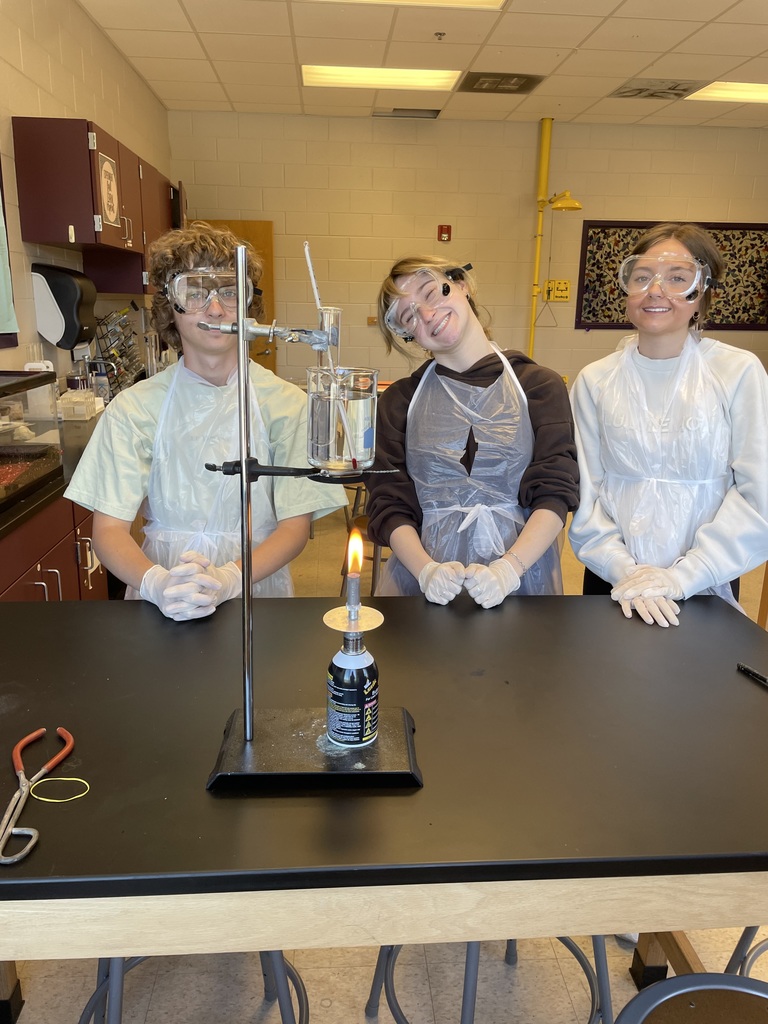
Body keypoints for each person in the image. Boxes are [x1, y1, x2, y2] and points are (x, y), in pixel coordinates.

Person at [66, 221, 345, 620]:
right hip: (163, 597)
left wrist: (231, 578)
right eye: (194, 293)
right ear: (169, 308)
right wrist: (157, 584)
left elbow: (293, 527)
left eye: (230, 292)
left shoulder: (287, 404)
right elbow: (109, 530)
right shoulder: (134, 408)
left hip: (256, 589)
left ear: (249, 307)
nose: (215, 309)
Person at [569, 222, 768, 627]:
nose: (656, 290)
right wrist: (627, 572)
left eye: (677, 278)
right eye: (642, 277)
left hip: (704, 582)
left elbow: (757, 493)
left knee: (697, 685)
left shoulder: (736, 371)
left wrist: (681, 577)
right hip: (613, 581)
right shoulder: (595, 380)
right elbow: (586, 492)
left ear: (701, 291)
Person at [366, 256, 579, 608]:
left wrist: (509, 569)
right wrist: (427, 572)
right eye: (409, 316)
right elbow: (388, 503)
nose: (428, 315)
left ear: (462, 285)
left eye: (432, 293)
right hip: (424, 587)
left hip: (523, 582)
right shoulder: (399, 401)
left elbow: (556, 490)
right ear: (408, 334)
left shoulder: (539, 386)